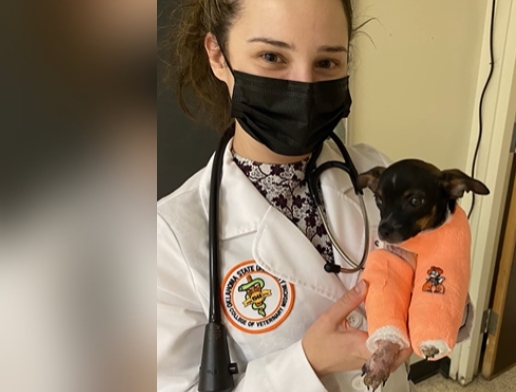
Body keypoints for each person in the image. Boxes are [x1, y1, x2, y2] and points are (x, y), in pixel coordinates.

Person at [157, 0, 474, 391]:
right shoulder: (167, 241)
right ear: (218, 56)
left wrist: (445, 309)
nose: (304, 87)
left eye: (326, 63)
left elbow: (432, 274)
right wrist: (306, 365)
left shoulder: (375, 172)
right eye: (272, 56)